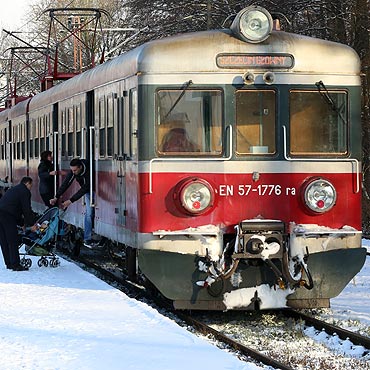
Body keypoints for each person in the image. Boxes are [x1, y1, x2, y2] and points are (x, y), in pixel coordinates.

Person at [50, 158, 96, 248]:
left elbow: (86, 187)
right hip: (87, 190)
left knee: (89, 213)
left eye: (75, 170)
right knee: (89, 213)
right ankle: (88, 238)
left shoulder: (88, 171)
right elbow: (66, 183)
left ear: (81, 167)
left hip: (89, 189)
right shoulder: (74, 171)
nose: (73, 172)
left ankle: (87, 238)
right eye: (72, 170)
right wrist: (56, 196)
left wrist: (71, 200)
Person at [0, 176, 38, 271]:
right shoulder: (25, 192)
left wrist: (21, 223)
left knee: (4, 240)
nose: (31, 187)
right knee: (12, 240)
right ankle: (16, 265)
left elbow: (16, 209)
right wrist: (32, 224)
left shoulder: (15, 189)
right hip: (7, 216)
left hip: (2, 213)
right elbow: (26, 210)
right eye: (31, 185)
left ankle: (9, 263)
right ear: (28, 183)